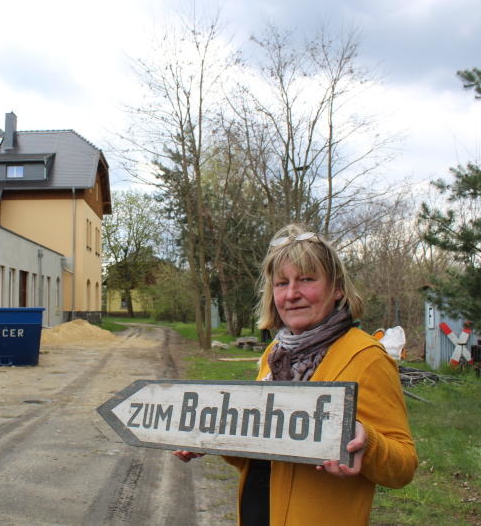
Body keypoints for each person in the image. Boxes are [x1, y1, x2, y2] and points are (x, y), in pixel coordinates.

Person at [174, 224, 418, 526]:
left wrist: (367, 444)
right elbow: (263, 458)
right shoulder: (275, 354)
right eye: (281, 283)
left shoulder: (366, 357)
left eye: (306, 279)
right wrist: (214, 438)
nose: (292, 294)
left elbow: (404, 466)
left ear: (337, 287)